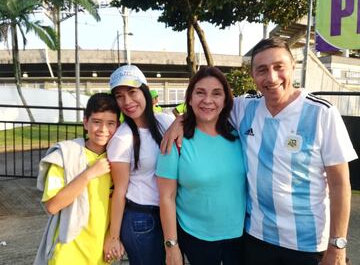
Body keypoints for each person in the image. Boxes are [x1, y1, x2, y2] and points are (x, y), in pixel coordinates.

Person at [161, 38, 358, 265]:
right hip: (256, 238)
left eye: (278, 67)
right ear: (253, 75)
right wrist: (181, 121)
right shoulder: (246, 107)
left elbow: (340, 185)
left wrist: (338, 246)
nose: (271, 77)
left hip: (308, 243)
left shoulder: (322, 113)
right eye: (262, 70)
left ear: (293, 67)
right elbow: (209, 105)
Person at [156, 66, 246, 265]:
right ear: (189, 98)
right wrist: (171, 246)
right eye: (200, 93)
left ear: (225, 100)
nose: (208, 100)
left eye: (216, 93)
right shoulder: (176, 142)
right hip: (196, 238)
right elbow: (166, 197)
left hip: (240, 236)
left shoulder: (238, 135)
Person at [34, 93, 120, 265]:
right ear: (85, 122)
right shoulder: (65, 155)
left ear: (118, 125)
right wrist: (89, 174)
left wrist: (114, 237)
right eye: (96, 122)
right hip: (67, 252)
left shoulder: (119, 159)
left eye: (110, 123)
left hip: (102, 253)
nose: (103, 129)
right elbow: (52, 206)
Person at [103, 65, 174, 265]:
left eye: (132, 92)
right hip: (141, 221)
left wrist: (180, 122)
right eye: (119, 96)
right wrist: (114, 236)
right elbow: (120, 190)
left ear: (144, 90)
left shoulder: (165, 122)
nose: (127, 102)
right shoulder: (122, 138)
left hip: (168, 217)